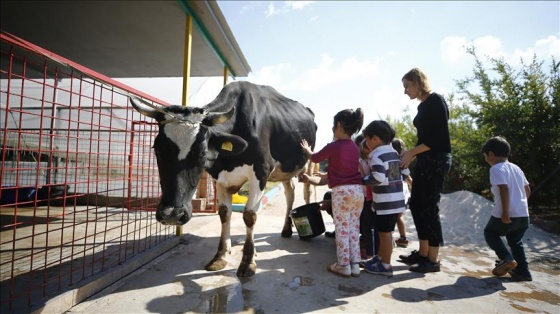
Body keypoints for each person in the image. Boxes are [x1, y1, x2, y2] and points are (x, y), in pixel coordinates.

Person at [399, 68, 452, 273]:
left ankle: (433, 259)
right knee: (416, 204)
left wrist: (411, 152)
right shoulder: (423, 106)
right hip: (425, 160)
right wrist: (413, 154)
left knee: (429, 207)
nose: (405, 91)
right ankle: (422, 253)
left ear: (418, 82)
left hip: (436, 160)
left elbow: (438, 139)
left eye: (407, 86)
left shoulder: (436, 101)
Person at [300, 108, 364, 278]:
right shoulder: (354, 147)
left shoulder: (334, 146)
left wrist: (306, 149)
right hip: (358, 192)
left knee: (342, 229)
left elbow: (315, 158)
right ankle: (355, 265)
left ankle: (343, 265)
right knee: (353, 228)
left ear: (339, 125)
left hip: (342, 192)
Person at [481, 136, 532, 281]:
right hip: (523, 213)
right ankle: (524, 271)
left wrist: (505, 212)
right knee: (515, 241)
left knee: (490, 233)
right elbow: (527, 189)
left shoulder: (496, 169)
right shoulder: (516, 168)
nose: (486, 160)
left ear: (491, 154)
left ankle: (506, 259)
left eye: (485, 156)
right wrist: (521, 204)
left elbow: (504, 189)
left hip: (506, 212)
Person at [361, 120, 406, 277]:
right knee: (384, 233)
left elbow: (379, 177)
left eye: (367, 139)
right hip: (395, 200)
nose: (366, 143)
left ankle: (385, 265)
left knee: (385, 234)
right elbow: (402, 173)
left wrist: (363, 180)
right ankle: (380, 259)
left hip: (386, 202)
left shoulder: (377, 156)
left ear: (375, 139)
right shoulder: (393, 153)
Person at [354, 135, 379, 262]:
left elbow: (368, 178)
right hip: (366, 197)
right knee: (366, 225)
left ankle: (370, 253)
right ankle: (369, 251)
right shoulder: (365, 160)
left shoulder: (370, 160)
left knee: (368, 226)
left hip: (371, 198)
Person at [392, 138, 413, 248]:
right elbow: (409, 179)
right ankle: (403, 238)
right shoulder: (403, 161)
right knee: (399, 215)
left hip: (395, 193)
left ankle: (398, 238)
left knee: (394, 216)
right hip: (403, 194)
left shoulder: (392, 161)